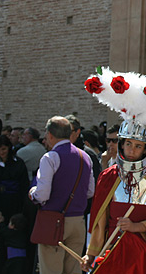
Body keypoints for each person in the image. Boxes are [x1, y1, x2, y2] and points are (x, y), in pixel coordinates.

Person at [81, 67, 146, 274]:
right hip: (112, 252)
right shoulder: (109, 176)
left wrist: (137, 227)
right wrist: (91, 254)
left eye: (138, 146)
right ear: (121, 145)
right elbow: (100, 221)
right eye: (128, 144)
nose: (131, 150)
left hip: (145, 254)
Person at [29, 116, 95, 274]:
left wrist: (32, 193)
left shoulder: (50, 157)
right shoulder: (85, 157)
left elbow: (42, 194)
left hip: (54, 220)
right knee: (73, 270)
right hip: (78, 221)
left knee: (51, 270)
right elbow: (90, 191)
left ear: (50, 134)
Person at [0, 135, 29, 225]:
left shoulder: (18, 163)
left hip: (17, 202)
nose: (1, 152)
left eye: (3, 149)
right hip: (0, 201)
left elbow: (24, 184)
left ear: (9, 148)